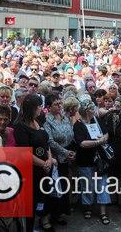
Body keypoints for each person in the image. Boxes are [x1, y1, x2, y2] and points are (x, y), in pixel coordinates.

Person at [14, 94, 54, 232]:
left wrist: (49, 159)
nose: (41, 110)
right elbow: (25, 153)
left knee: (42, 200)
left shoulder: (38, 121)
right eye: (39, 107)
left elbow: (46, 144)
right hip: (31, 173)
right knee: (30, 206)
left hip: (45, 170)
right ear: (32, 108)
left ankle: (42, 223)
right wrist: (43, 164)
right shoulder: (20, 126)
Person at [73, 97, 111, 225]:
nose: (94, 110)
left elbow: (106, 134)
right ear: (86, 110)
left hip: (100, 159)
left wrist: (103, 138)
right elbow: (82, 143)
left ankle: (103, 212)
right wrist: (98, 142)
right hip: (85, 160)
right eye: (91, 109)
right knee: (87, 186)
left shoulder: (97, 120)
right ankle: (87, 207)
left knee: (102, 185)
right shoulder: (78, 125)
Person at [42, 93, 75, 225]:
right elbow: (49, 141)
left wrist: (70, 152)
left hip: (66, 158)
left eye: (60, 103)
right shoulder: (46, 120)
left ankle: (60, 213)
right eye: (56, 104)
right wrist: (65, 152)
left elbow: (71, 134)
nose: (60, 106)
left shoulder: (65, 118)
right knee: (54, 188)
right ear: (49, 107)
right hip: (55, 158)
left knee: (64, 186)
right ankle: (51, 215)